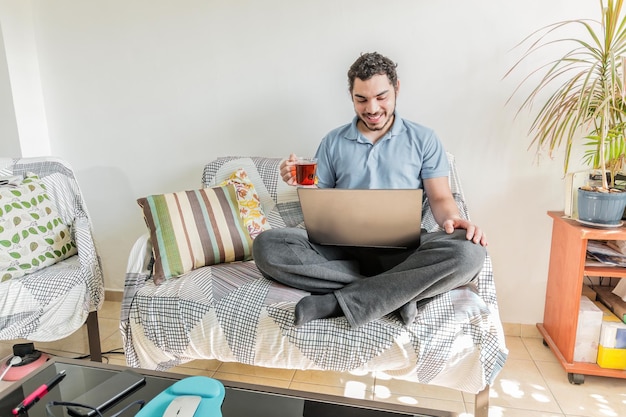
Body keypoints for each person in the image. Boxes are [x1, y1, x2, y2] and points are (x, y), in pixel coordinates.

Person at [252, 52, 488, 328]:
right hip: (342, 250)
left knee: (470, 252)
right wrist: (301, 182)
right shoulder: (333, 142)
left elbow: (440, 197)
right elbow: (320, 202)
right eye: (361, 99)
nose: (372, 108)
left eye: (381, 97)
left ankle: (339, 301)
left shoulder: (424, 139)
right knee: (267, 246)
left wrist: (452, 219)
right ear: (351, 95)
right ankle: (398, 294)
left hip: (404, 251)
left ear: (397, 88)